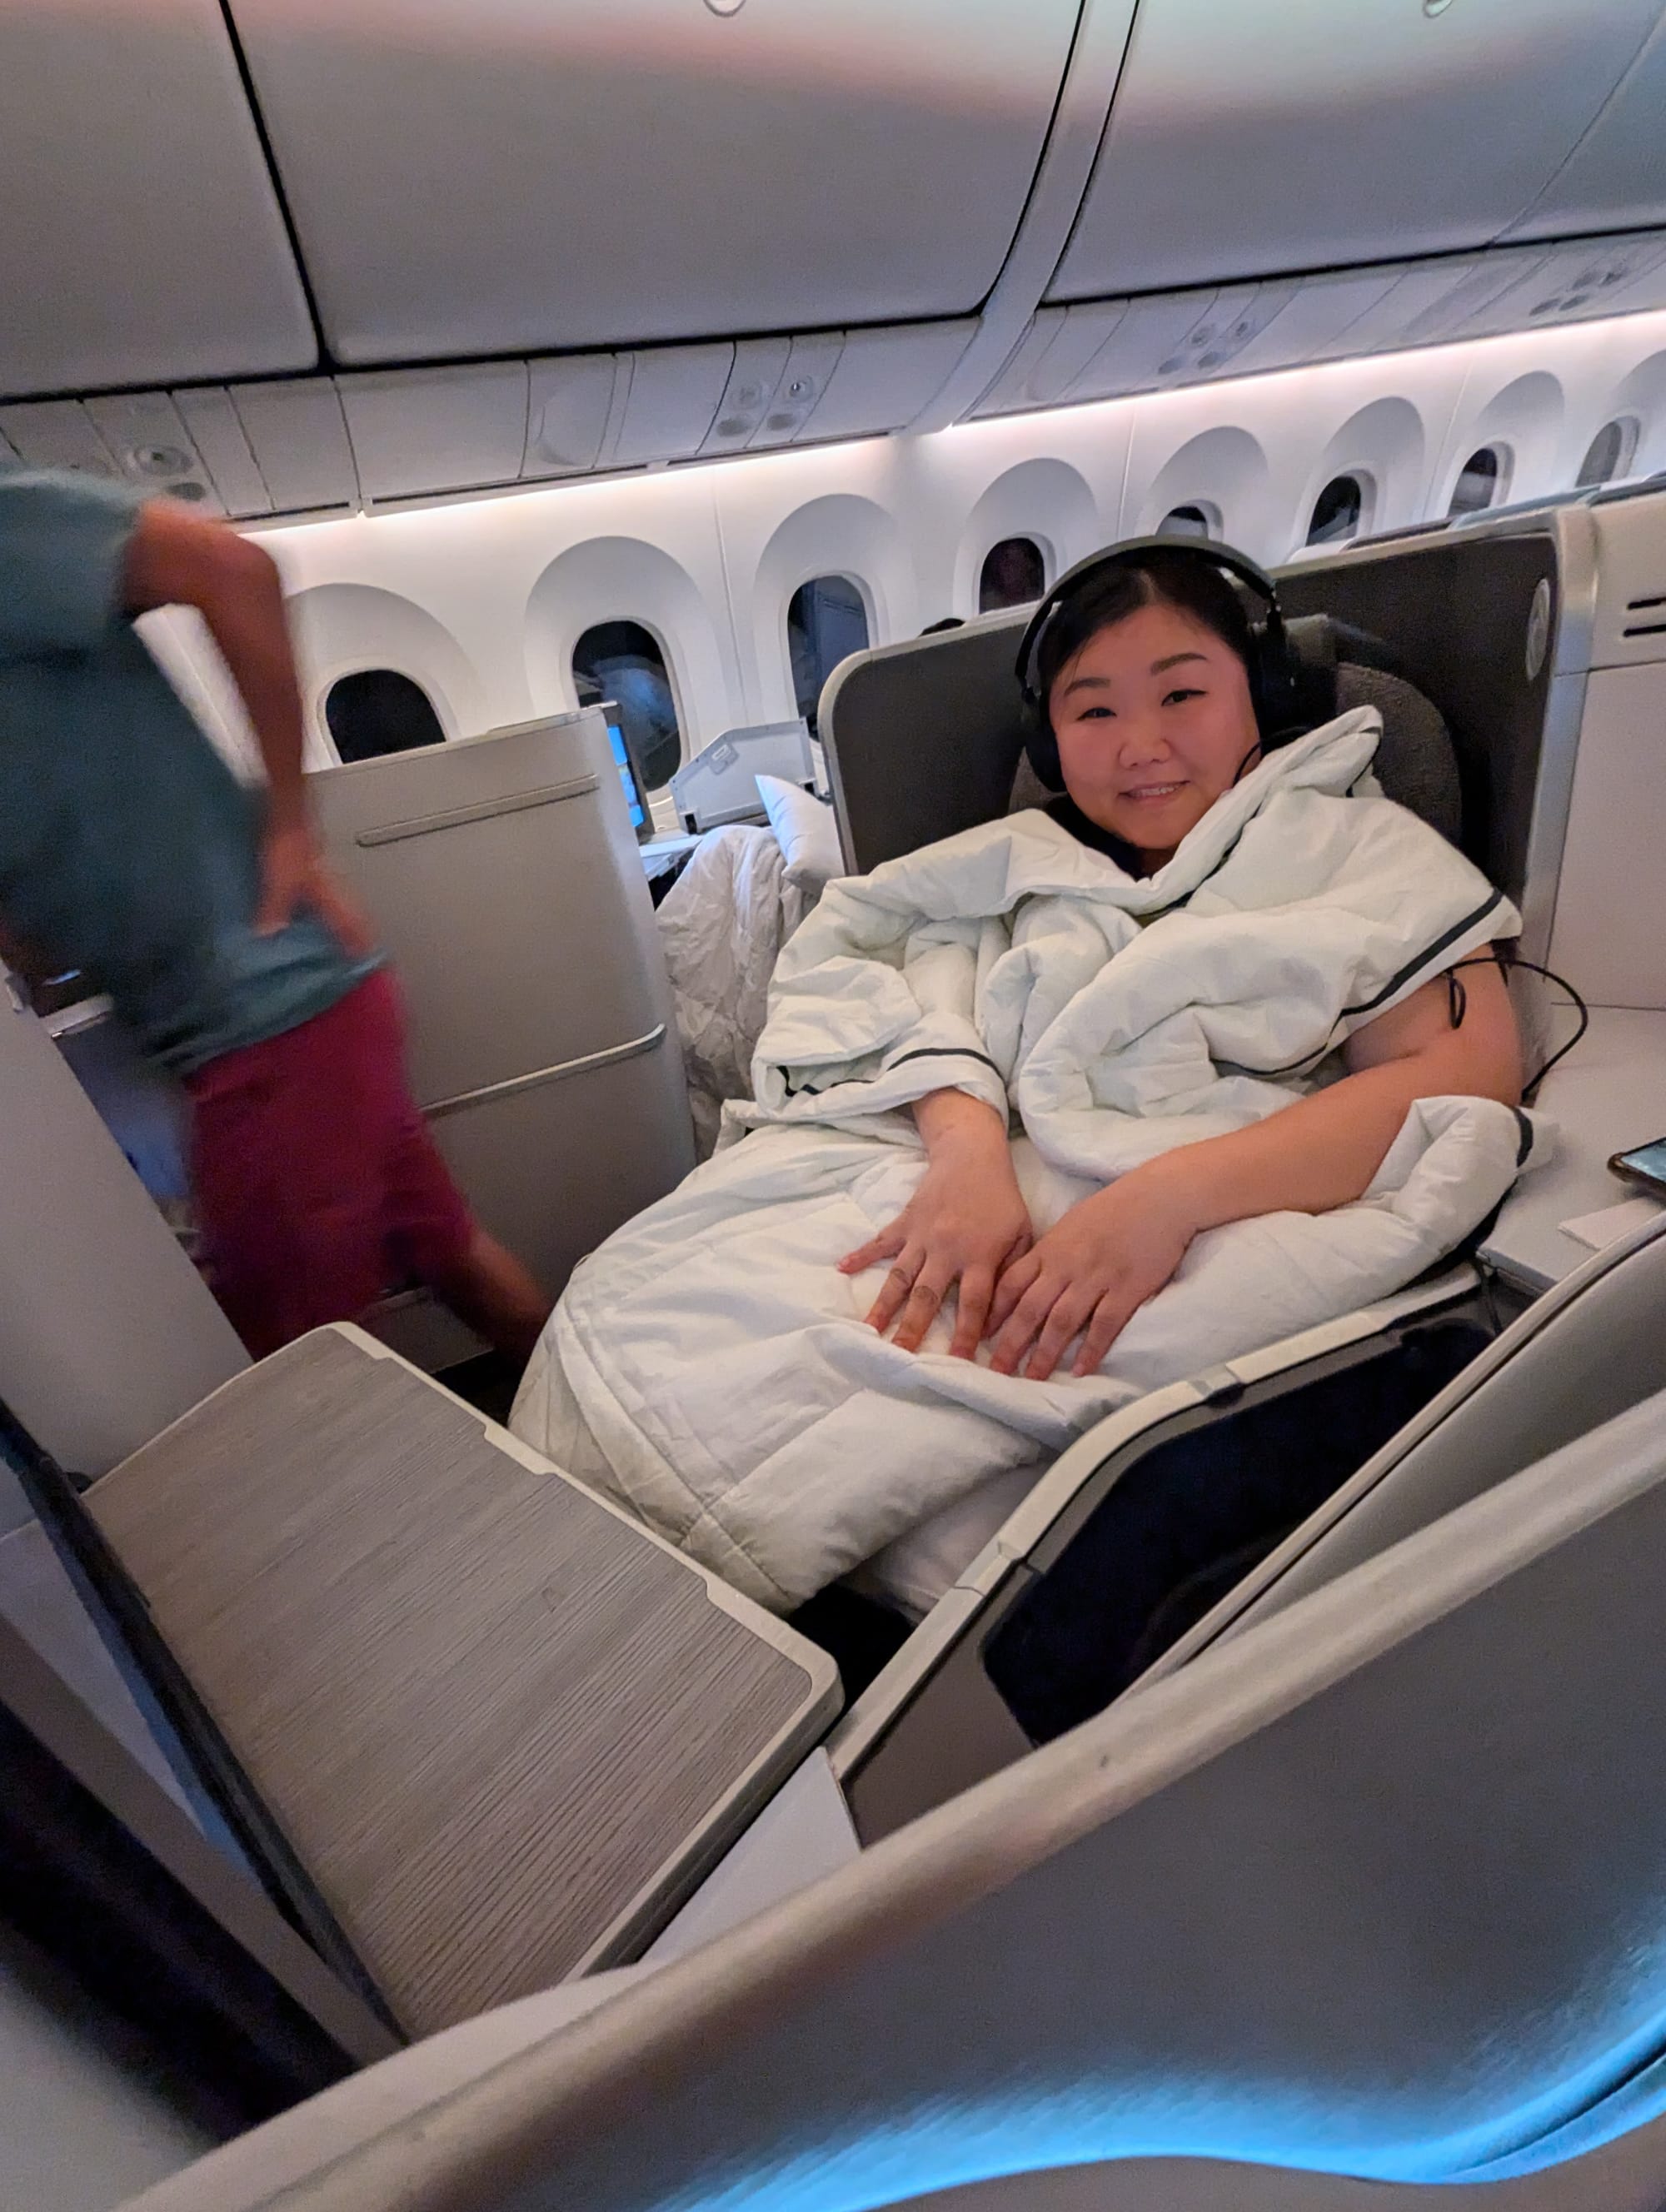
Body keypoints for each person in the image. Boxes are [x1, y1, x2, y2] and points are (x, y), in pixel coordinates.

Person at [514, 541, 1528, 1617]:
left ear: (1261, 697)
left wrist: (1166, 1198)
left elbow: (1459, 1075)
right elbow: (879, 966)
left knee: (798, 1410)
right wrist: (966, 1151)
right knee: (633, 1306)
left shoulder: (1351, 847)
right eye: (1094, 712)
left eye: (1182, 694)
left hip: (1192, 1174)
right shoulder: (1013, 860)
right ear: (1050, 738)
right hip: (961, 1147)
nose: (1140, 745)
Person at [0, 466, 549, 1363]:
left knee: (297, 1372)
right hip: (305, 1009)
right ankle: (596, 1432)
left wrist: (292, 826)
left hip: (266, 1033)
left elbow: (232, 569)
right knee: (456, 1264)